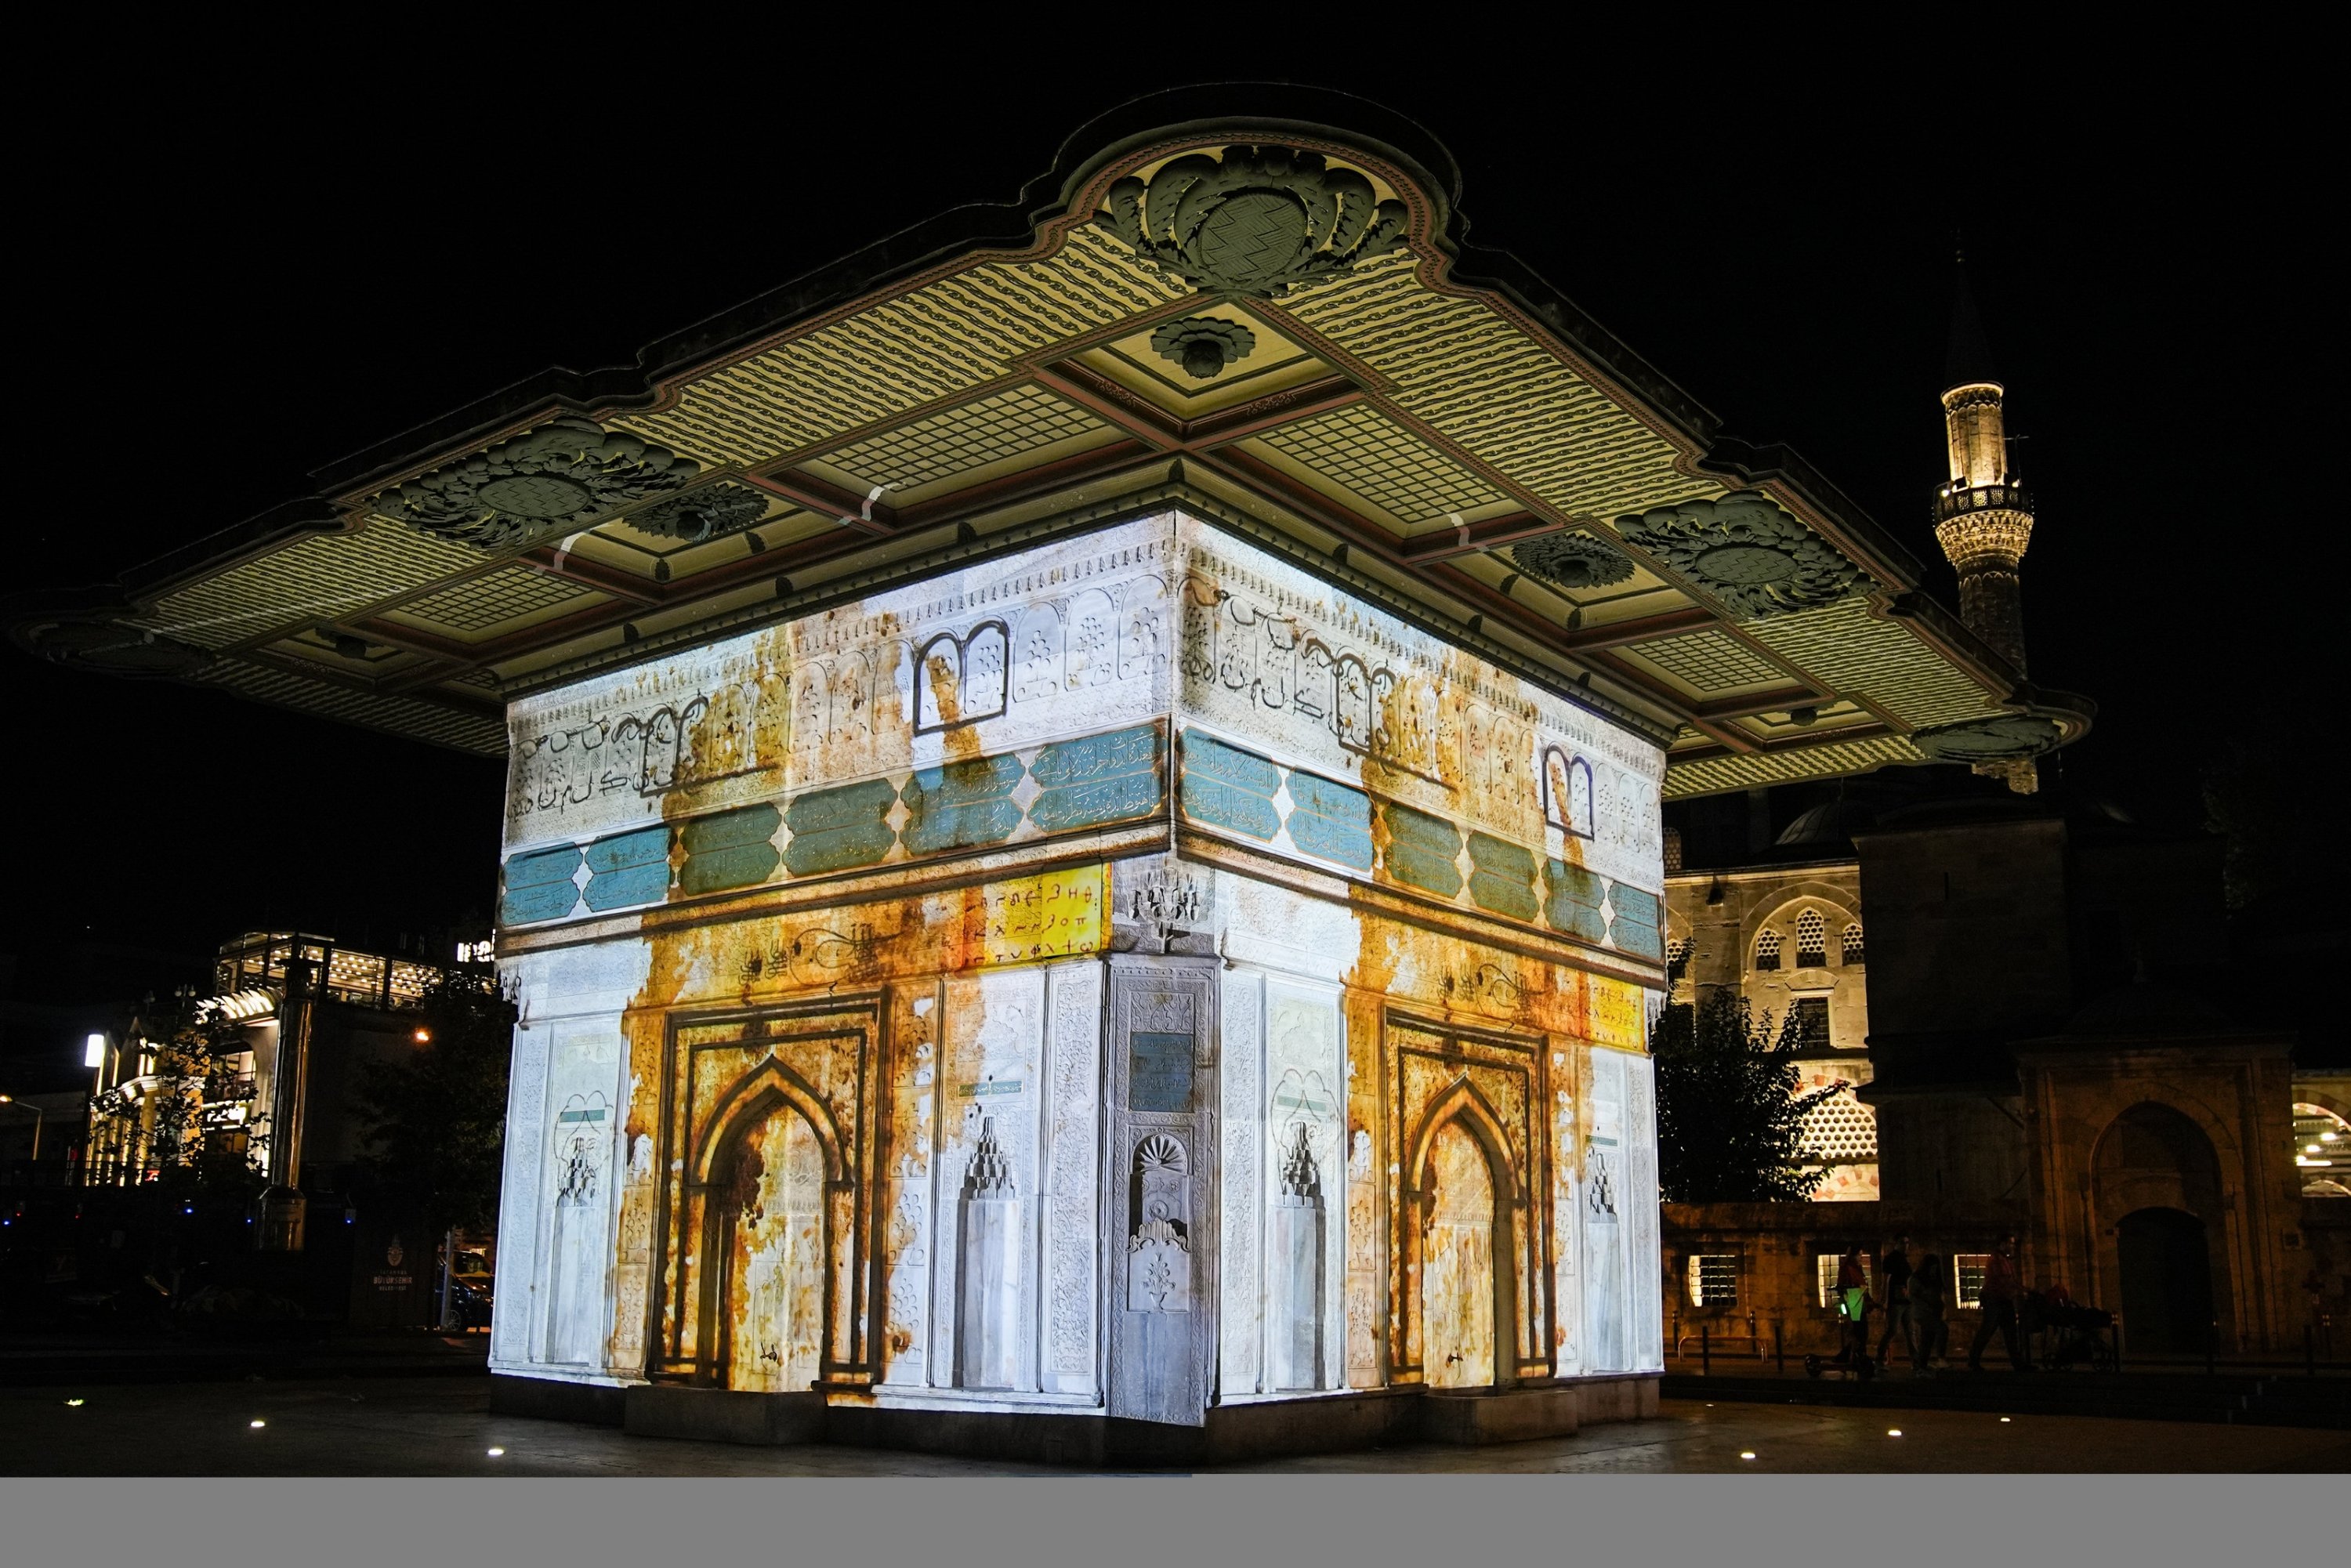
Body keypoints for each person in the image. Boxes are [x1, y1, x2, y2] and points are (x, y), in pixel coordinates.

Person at [1968, 1233, 2030, 1372]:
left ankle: (2018, 1363)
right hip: (1995, 1300)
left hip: (2002, 1299)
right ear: (2002, 1244)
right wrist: (2020, 1291)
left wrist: (2024, 1290)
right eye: (2011, 1244)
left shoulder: (2005, 1260)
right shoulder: (1997, 1260)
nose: (2013, 1247)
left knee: (2009, 1332)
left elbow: (2011, 1281)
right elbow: (2004, 1281)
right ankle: (1973, 1359)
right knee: (1989, 1330)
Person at [1875, 1235, 1915, 1369]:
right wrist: (1885, 1300)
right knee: (1892, 1330)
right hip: (1895, 1301)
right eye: (1903, 1243)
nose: (1906, 1246)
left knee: (1910, 1331)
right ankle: (1879, 1358)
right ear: (1896, 1244)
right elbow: (1886, 1280)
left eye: (1907, 1243)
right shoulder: (1891, 1259)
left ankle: (1916, 1362)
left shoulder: (1905, 1259)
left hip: (1906, 1301)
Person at [1910, 1253, 1948, 1373]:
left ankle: (1922, 1366)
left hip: (1933, 1312)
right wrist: (1926, 1305)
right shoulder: (1917, 1279)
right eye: (1932, 1267)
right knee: (1942, 1329)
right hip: (1924, 1312)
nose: (1934, 1270)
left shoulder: (1934, 1279)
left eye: (1936, 1267)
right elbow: (1913, 1296)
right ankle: (1940, 1359)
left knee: (1927, 1339)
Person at [1837, 1247, 1873, 1370]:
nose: (1861, 1258)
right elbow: (1842, 1288)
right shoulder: (1846, 1269)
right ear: (1853, 1256)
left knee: (1862, 1333)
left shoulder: (1858, 1269)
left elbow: (1863, 1287)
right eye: (1859, 1255)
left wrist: (1869, 1300)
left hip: (1859, 1303)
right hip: (1853, 1303)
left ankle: (1857, 1357)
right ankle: (1854, 1357)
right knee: (1858, 1332)